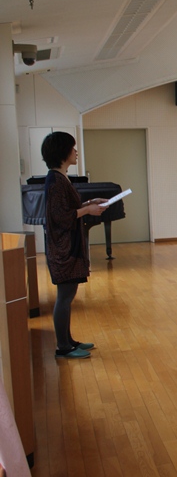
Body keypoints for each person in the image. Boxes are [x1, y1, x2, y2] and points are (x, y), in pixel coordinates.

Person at [41, 131, 106, 359]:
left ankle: (68, 340)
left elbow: (68, 208)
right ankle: (63, 347)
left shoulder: (60, 178)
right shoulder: (55, 181)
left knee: (68, 296)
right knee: (65, 297)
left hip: (67, 246)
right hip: (63, 249)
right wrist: (87, 210)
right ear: (63, 152)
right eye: (72, 148)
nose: (75, 152)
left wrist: (89, 203)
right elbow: (60, 216)